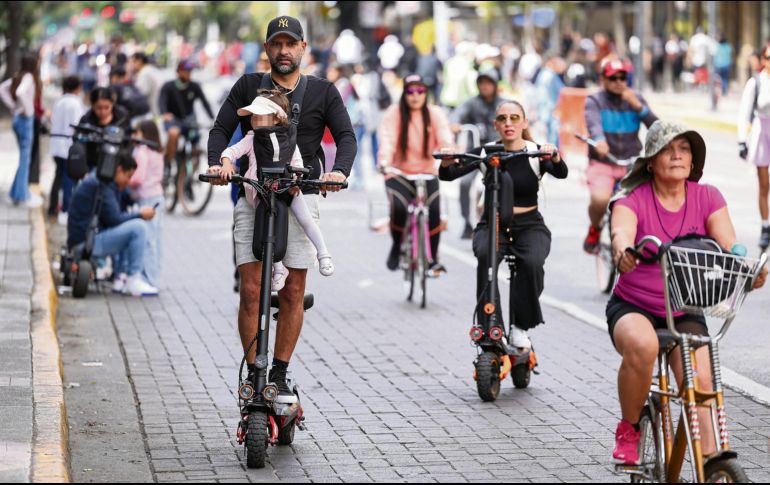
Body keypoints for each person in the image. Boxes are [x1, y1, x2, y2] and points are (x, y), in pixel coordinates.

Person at [207, 16, 356, 403]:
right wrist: (218, 164)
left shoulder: (323, 91)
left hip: (299, 195)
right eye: (277, 44)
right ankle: (254, 374)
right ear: (267, 48)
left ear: (303, 47)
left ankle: (280, 372)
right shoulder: (247, 86)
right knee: (251, 290)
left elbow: (345, 137)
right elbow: (221, 131)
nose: (284, 51)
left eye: (291, 44)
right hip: (254, 196)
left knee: (293, 291)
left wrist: (339, 172)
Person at [607, 120, 767, 465]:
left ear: (693, 161)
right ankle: (630, 428)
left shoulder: (707, 196)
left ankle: (713, 464)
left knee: (703, 380)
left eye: (684, 149)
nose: (677, 155)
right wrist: (623, 252)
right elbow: (622, 232)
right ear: (651, 160)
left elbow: (730, 244)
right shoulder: (631, 198)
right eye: (668, 149)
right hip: (634, 306)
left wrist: (747, 268)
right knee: (643, 345)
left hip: (684, 307)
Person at [439, 100, 568, 349]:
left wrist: (554, 155)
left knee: (531, 263)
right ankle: (490, 324)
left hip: (530, 225)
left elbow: (560, 171)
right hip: (493, 222)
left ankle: (520, 326)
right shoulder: (487, 152)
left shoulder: (535, 151)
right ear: (495, 124)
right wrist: (446, 162)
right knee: (485, 257)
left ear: (524, 122)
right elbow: (450, 174)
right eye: (503, 119)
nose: (508, 123)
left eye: (514, 118)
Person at [218, 89, 335, 291]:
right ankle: (278, 268)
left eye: (259, 115)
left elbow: (297, 163)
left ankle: (323, 253)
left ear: (277, 118)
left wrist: (296, 181)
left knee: (305, 219)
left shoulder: (290, 139)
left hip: (287, 187)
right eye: (253, 115)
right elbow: (231, 151)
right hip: (259, 191)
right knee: (265, 231)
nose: (254, 119)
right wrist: (227, 164)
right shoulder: (251, 139)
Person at [377, 74, 454, 275]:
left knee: (435, 211)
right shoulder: (394, 113)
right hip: (398, 173)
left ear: (426, 93)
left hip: (427, 173)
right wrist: (384, 161)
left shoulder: (435, 113)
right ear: (404, 93)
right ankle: (396, 246)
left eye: (420, 90)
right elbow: (388, 139)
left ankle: (433, 259)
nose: (415, 95)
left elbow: (445, 136)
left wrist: (448, 151)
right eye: (410, 91)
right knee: (399, 209)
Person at [583, 58, 658, 254]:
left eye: (623, 77)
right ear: (603, 79)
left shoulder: (636, 98)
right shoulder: (594, 101)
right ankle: (595, 227)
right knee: (600, 199)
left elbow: (658, 129)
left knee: (646, 206)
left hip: (631, 163)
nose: (619, 82)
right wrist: (599, 140)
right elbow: (593, 124)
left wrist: (639, 108)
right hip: (603, 162)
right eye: (613, 78)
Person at [67, 151, 159, 297]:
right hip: (86, 245)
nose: (128, 182)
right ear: (119, 170)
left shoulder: (102, 180)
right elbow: (114, 219)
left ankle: (121, 276)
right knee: (138, 228)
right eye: (128, 176)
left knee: (129, 225)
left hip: (84, 241)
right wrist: (140, 214)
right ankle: (133, 279)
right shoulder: (102, 185)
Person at [450, 69, 508, 239]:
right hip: (475, 151)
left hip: (499, 151)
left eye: (489, 82)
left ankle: (506, 221)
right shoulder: (471, 103)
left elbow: (517, 117)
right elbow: (457, 114)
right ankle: (467, 222)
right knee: (465, 183)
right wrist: (455, 124)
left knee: (510, 181)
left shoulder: (503, 104)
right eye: (481, 83)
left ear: (496, 85)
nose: (485, 86)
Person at [125, 119, 165, 289]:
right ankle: (154, 275)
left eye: (137, 132)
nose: (135, 136)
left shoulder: (141, 151)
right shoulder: (157, 151)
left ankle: (147, 279)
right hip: (158, 197)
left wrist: (125, 181)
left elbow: (138, 178)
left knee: (147, 239)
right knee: (156, 238)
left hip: (145, 198)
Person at [0, 52, 43, 207]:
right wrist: (28, 109)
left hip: (18, 119)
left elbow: (2, 89)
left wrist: (14, 107)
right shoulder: (29, 77)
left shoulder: (19, 75)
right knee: (25, 159)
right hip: (25, 120)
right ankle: (21, 196)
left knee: (24, 158)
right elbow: (20, 92)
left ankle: (16, 192)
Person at [738, 45, 770, 248]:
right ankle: (766, 225)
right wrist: (742, 140)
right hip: (762, 133)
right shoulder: (755, 83)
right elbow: (744, 113)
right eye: (768, 57)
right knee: (764, 185)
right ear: (763, 59)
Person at [159, 60, 215, 166]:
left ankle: (191, 175)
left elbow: (205, 103)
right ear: (178, 72)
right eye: (185, 71)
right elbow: (162, 102)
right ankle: (167, 163)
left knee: (196, 148)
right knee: (173, 133)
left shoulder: (194, 86)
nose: (188, 74)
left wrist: (213, 119)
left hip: (189, 120)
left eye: (190, 71)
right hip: (173, 120)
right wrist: (165, 113)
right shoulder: (168, 86)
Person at [48, 75, 85, 224]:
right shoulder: (75, 103)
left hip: (56, 143)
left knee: (58, 177)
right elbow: (77, 124)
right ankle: (65, 209)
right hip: (68, 145)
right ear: (77, 87)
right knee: (68, 179)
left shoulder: (59, 101)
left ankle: (52, 207)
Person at [77, 87, 131, 174]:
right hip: (92, 166)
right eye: (98, 108)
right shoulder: (86, 121)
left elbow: (128, 142)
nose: (103, 112)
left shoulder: (122, 118)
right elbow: (79, 141)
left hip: (117, 165)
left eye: (107, 107)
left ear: (112, 104)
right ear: (92, 105)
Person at [533, 54, 566, 146]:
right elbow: (543, 96)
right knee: (551, 138)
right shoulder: (549, 76)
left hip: (548, 110)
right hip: (550, 110)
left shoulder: (546, 74)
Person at [130, 52, 164, 117]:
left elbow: (140, 94)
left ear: (139, 61)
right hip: (160, 108)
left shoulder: (144, 73)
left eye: (133, 62)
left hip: (154, 111)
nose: (132, 65)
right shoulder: (151, 69)